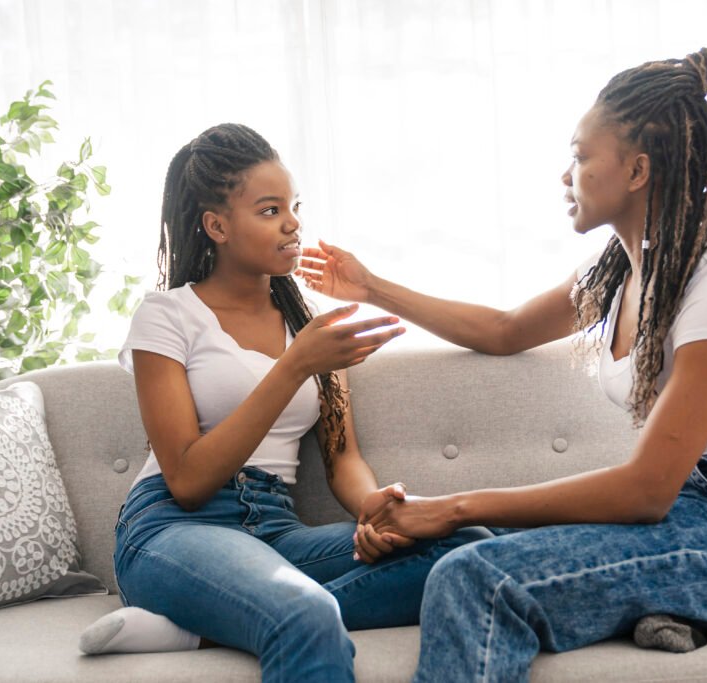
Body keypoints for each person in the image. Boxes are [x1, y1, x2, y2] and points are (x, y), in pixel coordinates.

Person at [297, 47, 707, 681]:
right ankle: (668, 606)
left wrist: (454, 504)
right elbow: (504, 330)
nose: (565, 175)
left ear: (636, 171)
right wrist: (372, 286)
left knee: (477, 576)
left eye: (579, 156)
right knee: (463, 554)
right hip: (689, 513)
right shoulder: (622, 274)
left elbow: (647, 491)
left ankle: (680, 604)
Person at [78, 123, 492, 681]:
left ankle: (200, 628)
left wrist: (377, 512)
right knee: (305, 613)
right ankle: (238, 612)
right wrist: (295, 365)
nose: (293, 223)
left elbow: (342, 458)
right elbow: (188, 479)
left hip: (274, 528)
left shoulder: (310, 328)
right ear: (217, 226)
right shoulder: (168, 315)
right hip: (176, 529)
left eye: (294, 206)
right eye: (270, 210)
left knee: (468, 547)